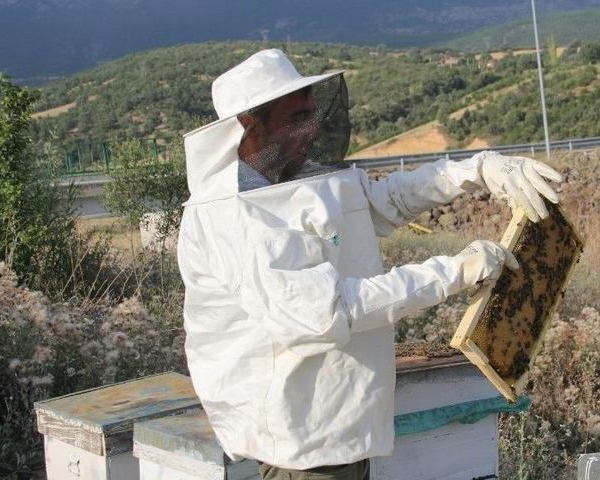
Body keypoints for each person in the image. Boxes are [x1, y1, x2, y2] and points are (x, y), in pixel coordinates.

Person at [178, 49, 563, 480]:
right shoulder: (232, 216)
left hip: (342, 424)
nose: (311, 130)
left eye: (311, 114)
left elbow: (388, 199)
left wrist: (477, 169)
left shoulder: (304, 178)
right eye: (296, 118)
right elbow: (328, 310)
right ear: (250, 123)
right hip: (301, 442)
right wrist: (454, 272)